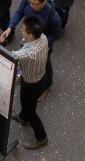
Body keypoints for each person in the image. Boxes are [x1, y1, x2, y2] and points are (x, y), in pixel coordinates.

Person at [0, 0, 62, 101]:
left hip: (42, 46)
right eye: (30, 2)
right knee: (24, 59)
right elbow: (19, 12)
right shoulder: (27, 0)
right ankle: (22, 75)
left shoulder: (54, 17)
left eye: (35, 4)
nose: (32, 6)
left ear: (44, 1)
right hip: (27, 39)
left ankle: (47, 86)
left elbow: (56, 35)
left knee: (45, 64)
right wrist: (10, 27)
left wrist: (39, 42)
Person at [10, 17, 49, 150]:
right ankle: (22, 117)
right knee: (24, 101)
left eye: (23, 30)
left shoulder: (29, 53)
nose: (21, 30)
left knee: (31, 111)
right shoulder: (42, 37)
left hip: (33, 83)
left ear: (31, 35)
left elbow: (11, 56)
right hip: (38, 77)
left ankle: (41, 137)